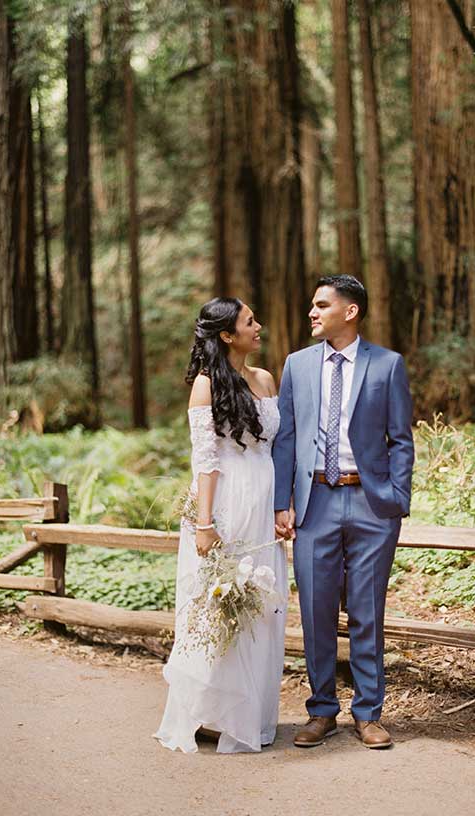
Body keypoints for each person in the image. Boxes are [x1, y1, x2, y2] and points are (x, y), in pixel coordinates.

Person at [273, 275, 414, 749]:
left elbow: (401, 440)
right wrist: (281, 502)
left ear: (349, 311)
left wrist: (396, 500)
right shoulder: (296, 365)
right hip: (316, 502)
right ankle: (321, 711)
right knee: (315, 610)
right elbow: (286, 438)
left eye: (320, 305)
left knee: (367, 612)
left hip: (373, 505)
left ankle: (369, 714)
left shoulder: (388, 365)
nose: (311, 313)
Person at [154, 297, 287, 753]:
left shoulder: (266, 379)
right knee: (218, 605)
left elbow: (277, 448)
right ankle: (211, 710)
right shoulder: (206, 386)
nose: (259, 326)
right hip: (225, 503)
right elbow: (205, 461)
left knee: (262, 602)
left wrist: (281, 505)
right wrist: (205, 525)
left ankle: (250, 715)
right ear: (227, 335)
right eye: (251, 321)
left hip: (264, 500)